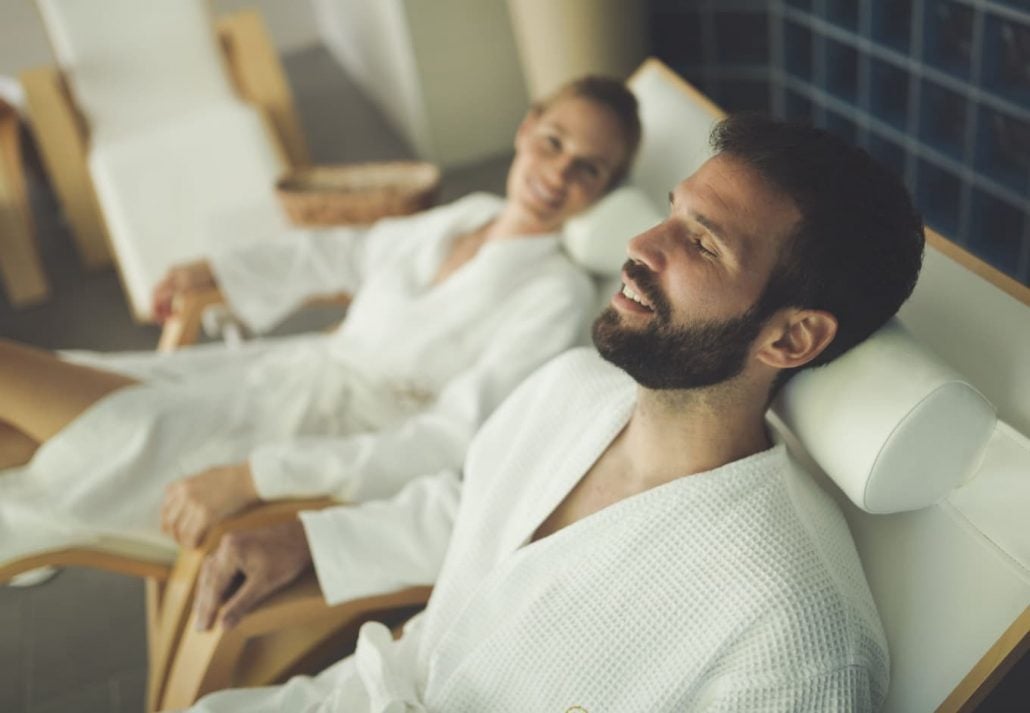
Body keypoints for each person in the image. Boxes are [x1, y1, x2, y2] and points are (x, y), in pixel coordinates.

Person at [184, 114, 924, 712]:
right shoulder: (570, 387)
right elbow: (470, 508)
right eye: (673, 212)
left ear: (791, 336)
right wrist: (308, 539)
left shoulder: (792, 629)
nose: (639, 246)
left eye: (700, 242)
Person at [0, 76, 641, 565]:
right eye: (553, 143)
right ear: (527, 129)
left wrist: (256, 476)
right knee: (50, 405)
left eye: (587, 168)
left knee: (52, 408)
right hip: (270, 378)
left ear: (607, 189)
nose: (557, 174)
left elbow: (453, 439)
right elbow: (350, 251)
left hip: (310, 448)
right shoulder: (465, 214)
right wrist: (219, 270)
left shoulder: (552, 295)